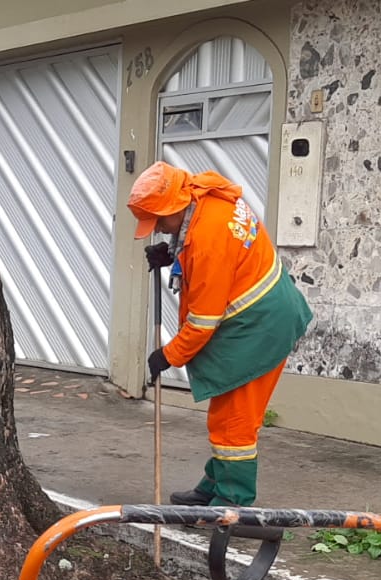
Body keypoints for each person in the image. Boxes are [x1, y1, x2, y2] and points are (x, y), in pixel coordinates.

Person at [128, 161, 313, 508]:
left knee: (235, 424)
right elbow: (225, 256)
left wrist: (166, 356)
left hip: (259, 328)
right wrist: (173, 251)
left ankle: (232, 505)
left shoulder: (208, 238)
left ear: (176, 206)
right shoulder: (206, 198)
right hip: (262, 317)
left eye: (159, 222)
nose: (157, 229)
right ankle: (214, 485)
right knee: (227, 416)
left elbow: (202, 321)